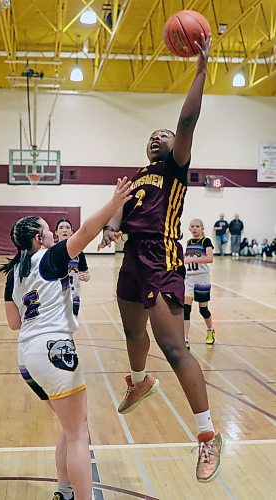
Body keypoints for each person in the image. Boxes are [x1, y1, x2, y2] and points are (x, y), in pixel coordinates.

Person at [98, 34, 222, 483]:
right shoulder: (137, 177)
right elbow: (120, 217)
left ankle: (208, 437)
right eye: (151, 136)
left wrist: (202, 71)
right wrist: (111, 229)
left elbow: (187, 120)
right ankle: (138, 381)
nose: (157, 138)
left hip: (162, 255)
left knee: (173, 347)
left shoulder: (175, 169)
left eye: (163, 135)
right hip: (132, 257)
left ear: (176, 145)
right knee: (132, 331)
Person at [0, 178, 132, 500]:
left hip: (27, 356)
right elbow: (85, 232)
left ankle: (64, 491)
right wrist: (114, 203)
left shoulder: (14, 272)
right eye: (45, 229)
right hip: (54, 349)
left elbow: (14, 322)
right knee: (78, 434)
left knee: (69, 428)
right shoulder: (49, 258)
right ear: (37, 237)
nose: (50, 233)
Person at [184, 219, 215, 350]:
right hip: (189, 279)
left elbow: (210, 258)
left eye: (197, 226)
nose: (195, 228)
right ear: (189, 229)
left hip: (202, 279)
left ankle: (210, 330)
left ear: (202, 228)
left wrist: (192, 259)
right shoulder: (189, 242)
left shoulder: (206, 241)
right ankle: (184, 339)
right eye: (192, 226)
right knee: (186, 310)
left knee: (203, 310)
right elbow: (186, 260)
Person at [55, 218, 90, 317]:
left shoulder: (78, 251)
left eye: (67, 228)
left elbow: (86, 273)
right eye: (61, 228)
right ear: (56, 232)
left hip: (73, 294)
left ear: (72, 232)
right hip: (55, 295)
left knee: (71, 325)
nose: (64, 230)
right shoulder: (51, 251)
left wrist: (86, 277)